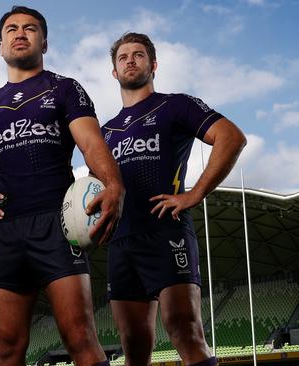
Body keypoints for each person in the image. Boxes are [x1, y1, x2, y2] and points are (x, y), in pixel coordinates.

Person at [0, 6, 124, 366]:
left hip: (57, 225)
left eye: (30, 28)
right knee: (6, 348)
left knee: (79, 336)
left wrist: (113, 184)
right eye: (12, 29)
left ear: (44, 42)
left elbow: (91, 144)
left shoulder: (64, 88)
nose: (20, 33)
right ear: (0, 44)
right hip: (7, 231)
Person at [103, 32, 247, 366]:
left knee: (185, 330)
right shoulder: (106, 132)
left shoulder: (176, 105)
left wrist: (195, 193)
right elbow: (100, 187)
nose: (130, 61)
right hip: (122, 241)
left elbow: (231, 137)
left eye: (139, 55)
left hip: (166, 232)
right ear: (114, 72)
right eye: (123, 57)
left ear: (153, 65)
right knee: (133, 345)